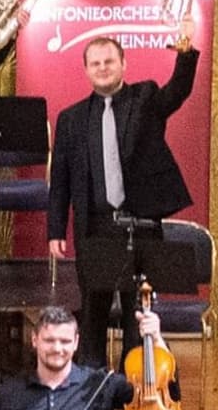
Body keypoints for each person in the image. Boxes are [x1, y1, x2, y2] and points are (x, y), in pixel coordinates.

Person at [47, 23, 202, 348]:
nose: (103, 68)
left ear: (123, 64)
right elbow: (59, 179)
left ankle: (135, 388)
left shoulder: (144, 98)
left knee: (138, 319)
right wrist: (55, 230)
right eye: (96, 63)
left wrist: (186, 51)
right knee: (92, 318)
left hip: (140, 226)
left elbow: (178, 90)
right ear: (86, 69)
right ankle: (94, 391)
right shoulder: (71, 119)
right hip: (95, 229)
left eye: (109, 61)